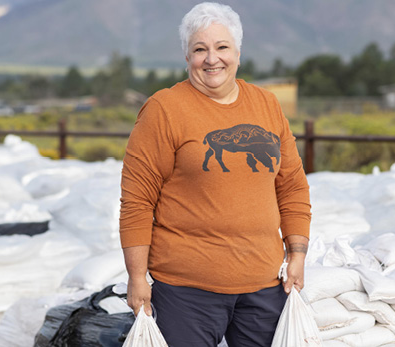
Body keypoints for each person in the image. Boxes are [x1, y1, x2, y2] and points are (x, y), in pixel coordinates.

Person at [118, 2, 311, 346]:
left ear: (238, 52)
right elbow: (137, 201)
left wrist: (296, 255)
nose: (212, 59)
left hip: (264, 287)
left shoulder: (266, 105)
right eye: (199, 49)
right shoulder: (164, 110)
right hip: (186, 292)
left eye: (222, 47)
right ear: (186, 56)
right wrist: (136, 276)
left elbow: (292, 185)